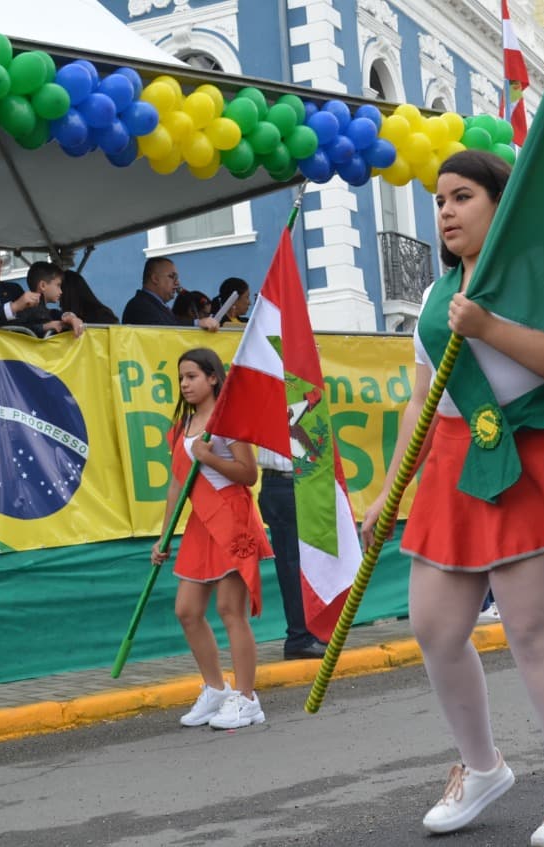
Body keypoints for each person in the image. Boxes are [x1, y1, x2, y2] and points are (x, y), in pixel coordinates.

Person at [360, 150, 544, 847]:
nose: (446, 211)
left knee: (532, 630)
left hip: (536, 453)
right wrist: (389, 490)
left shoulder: (537, 274)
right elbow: (422, 400)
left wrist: (489, 327)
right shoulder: (435, 298)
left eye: (463, 196)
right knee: (435, 628)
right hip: (456, 465)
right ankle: (481, 768)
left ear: (502, 204)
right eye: (440, 200)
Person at [153, 347, 272, 730]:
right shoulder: (182, 426)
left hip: (231, 518)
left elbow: (248, 474)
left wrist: (210, 458)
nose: (185, 384)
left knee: (229, 610)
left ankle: (247, 699)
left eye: (192, 376)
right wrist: (163, 536)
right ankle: (216, 689)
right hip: (200, 525)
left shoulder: (227, 420)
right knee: (187, 611)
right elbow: (176, 485)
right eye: (181, 378)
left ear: (213, 378)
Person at [256, 446, 327, 660]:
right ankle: (300, 637)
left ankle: (308, 633)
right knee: (294, 564)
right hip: (286, 481)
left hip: (296, 480)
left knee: (301, 563)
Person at [122, 257, 219, 330]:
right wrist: (197, 323)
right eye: (172, 277)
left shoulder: (156, 304)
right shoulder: (139, 305)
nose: (177, 283)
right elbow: (166, 329)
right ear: (155, 279)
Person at [12, 262, 85, 338]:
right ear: (43, 285)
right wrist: (44, 327)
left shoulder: (48, 311)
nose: (61, 291)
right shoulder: (28, 309)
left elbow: (57, 314)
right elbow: (17, 329)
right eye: (58, 285)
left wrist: (71, 318)